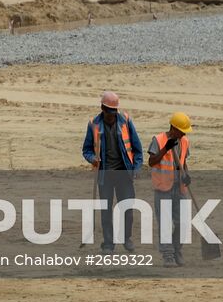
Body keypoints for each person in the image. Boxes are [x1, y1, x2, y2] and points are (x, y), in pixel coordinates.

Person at [81, 90, 144, 252]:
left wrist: (136, 168)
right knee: (106, 211)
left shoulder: (125, 121)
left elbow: (137, 149)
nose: (112, 115)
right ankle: (108, 243)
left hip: (124, 173)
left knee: (127, 209)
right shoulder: (94, 124)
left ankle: (126, 238)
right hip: (105, 175)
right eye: (109, 112)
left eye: (114, 111)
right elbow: (86, 149)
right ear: (102, 108)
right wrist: (92, 159)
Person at [147, 112, 193, 267]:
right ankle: (168, 255)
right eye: (181, 131)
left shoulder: (184, 141)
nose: (183, 134)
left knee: (184, 222)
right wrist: (165, 149)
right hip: (163, 188)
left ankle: (176, 249)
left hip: (179, 187)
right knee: (165, 224)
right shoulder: (158, 140)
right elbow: (152, 162)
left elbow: (183, 161)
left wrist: (186, 175)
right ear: (173, 128)